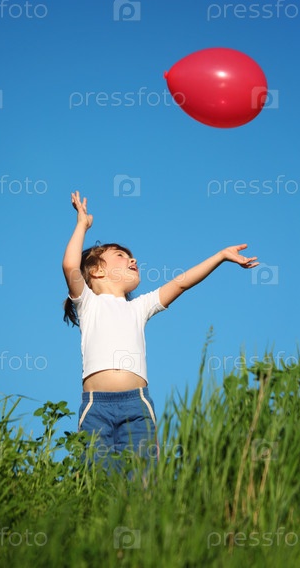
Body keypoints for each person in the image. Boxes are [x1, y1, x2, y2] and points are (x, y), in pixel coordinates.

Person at [62, 190, 259, 472]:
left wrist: (220, 256)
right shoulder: (88, 303)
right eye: (120, 256)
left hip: (137, 404)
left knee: (142, 477)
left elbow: (181, 283)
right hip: (96, 406)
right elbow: (70, 265)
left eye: (132, 257)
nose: (132, 260)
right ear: (96, 271)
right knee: (95, 476)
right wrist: (82, 224)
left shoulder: (139, 307)